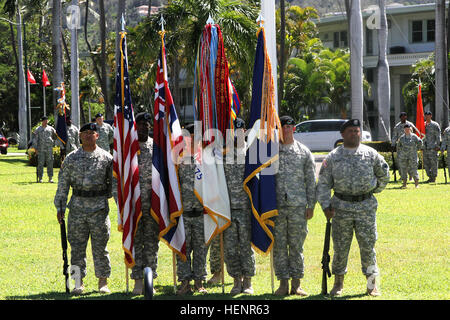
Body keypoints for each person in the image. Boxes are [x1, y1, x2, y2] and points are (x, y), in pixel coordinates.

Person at [316, 119, 390, 297]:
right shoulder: (333, 157)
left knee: (368, 247)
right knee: (340, 248)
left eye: (357, 131)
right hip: (341, 208)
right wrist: (326, 206)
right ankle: (338, 284)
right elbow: (324, 184)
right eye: (350, 131)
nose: (354, 134)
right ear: (342, 134)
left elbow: (384, 174)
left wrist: (373, 191)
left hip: (365, 208)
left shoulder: (371, 154)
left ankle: (372, 284)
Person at [54, 123, 113, 295]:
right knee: (77, 247)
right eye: (85, 133)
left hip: (99, 209)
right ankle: (78, 283)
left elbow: (113, 184)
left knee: (101, 247)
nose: (88, 136)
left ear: (97, 135)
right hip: (77, 209)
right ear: (80, 136)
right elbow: (63, 184)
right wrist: (60, 206)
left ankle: (103, 282)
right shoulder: (71, 158)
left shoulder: (106, 158)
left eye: (91, 133)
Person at [273, 115, 316, 296]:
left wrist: (311, 205)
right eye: (283, 126)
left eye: (290, 126)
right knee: (280, 246)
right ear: (279, 129)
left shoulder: (304, 152)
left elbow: (311, 180)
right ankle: (283, 284)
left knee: (297, 245)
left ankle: (296, 284)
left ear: (294, 129)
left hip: (298, 206)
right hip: (277, 206)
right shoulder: (272, 152)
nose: (287, 129)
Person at [223, 118, 255, 295]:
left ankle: (248, 281)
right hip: (228, 209)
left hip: (245, 209)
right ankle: (236, 280)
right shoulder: (222, 156)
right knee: (230, 248)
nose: (237, 134)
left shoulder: (251, 155)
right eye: (234, 131)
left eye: (240, 131)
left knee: (245, 246)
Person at [129, 112, 159, 295]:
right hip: (134, 206)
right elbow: (119, 181)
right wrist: (122, 204)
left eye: (146, 125)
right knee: (135, 243)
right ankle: (137, 281)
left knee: (151, 244)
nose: (143, 127)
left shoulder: (157, 148)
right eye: (140, 124)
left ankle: (150, 281)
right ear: (135, 126)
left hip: (153, 205)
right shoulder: (129, 149)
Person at [176, 123, 208, 295]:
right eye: (190, 136)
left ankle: (199, 282)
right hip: (183, 214)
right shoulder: (178, 160)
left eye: (196, 136)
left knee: (201, 249)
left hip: (202, 214)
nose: (193, 139)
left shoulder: (207, 161)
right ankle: (184, 282)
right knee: (183, 250)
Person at [396, 124, 423, 188]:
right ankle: (404, 184)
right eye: (406, 129)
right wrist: (400, 154)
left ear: (410, 129)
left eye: (408, 129)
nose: (407, 130)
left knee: (414, 169)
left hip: (412, 156)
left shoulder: (414, 136)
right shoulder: (402, 138)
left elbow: (420, 142)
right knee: (403, 170)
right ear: (404, 130)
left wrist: (417, 149)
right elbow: (398, 146)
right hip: (404, 157)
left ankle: (416, 184)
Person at [33, 116, 57, 183]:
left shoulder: (51, 129)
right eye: (44, 120)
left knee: (50, 163)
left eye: (46, 120)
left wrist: (53, 144)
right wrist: (36, 149)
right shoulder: (38, 129)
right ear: (42, 121)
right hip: (41, 149)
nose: (46, 122)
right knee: (40, 164)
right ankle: (40, 178)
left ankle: (50, 178)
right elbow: (35, 139)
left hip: (49, 149)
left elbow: (55, 137)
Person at [422, 111, 441, 183]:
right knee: (426, 164)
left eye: (428, 115)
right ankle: (430, 177)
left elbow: (438, 136)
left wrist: (438, 145)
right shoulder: (423, 124)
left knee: (433, 163)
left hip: (433, 147)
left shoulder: (435, 125)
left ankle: (433, 177)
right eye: (426, 115)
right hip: (425, 148)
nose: (427, 117)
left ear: (431, 116)